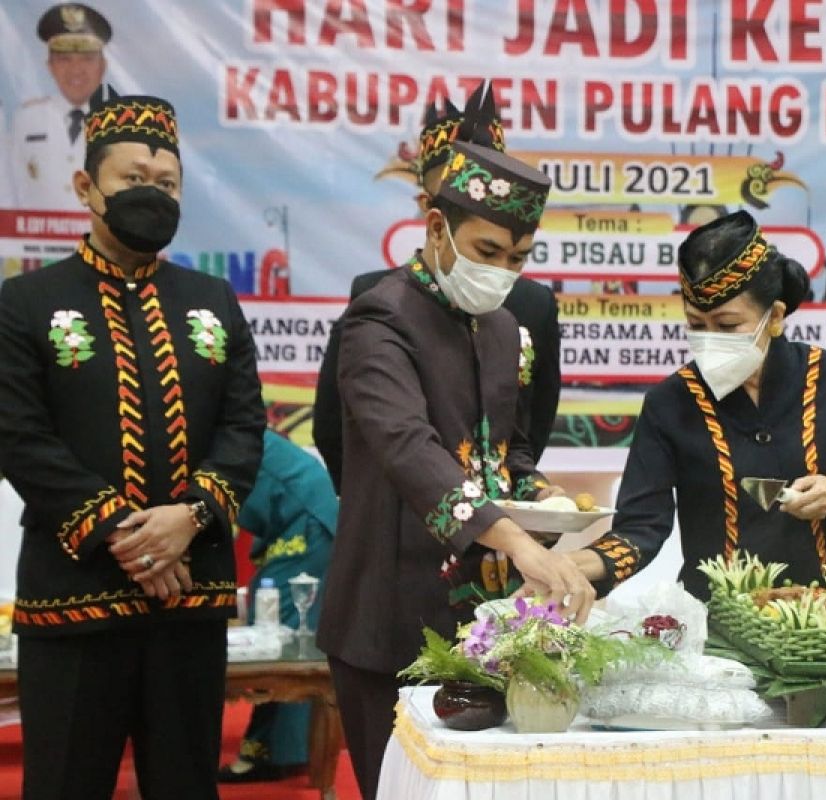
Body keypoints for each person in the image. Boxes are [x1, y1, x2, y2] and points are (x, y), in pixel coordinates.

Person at [0, 88, 265, 799]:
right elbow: (19, 439)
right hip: (74, 596)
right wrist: (130, 538)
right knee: (62, 784)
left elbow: (245, 430)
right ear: (87, 185)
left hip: (192, 596)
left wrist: (191, 518)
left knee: (185, 786)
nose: (152, 194)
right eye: (132, 180)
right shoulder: (24, 304)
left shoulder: (213, 301)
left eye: (167, 184)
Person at [316, 138, 595, 799]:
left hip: (483, 621)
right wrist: (519, 540)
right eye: (487, 252)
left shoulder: (501, 328)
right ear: (437, 227)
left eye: (518, 258)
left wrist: (543, 496)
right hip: (388, 623)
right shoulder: (379, 319)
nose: (501, 272)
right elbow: (410, 449)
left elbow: (507, 451)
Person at [565, 211, 826, 599]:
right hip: (714, 626)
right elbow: (640, 528)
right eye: (697, 326)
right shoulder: (670, 402)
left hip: (823, 625)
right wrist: (570, 566)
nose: (710, 340)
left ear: (775, 317)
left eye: (727, 326)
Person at [313, 82, 561, 487]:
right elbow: (336, 427)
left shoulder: (523, 311)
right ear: (431, 213)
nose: (500, 268)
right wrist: (369, 503)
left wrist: (526, 493)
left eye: (515, 257)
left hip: (495, 532)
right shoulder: (378, 304)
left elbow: (523, 434)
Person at [219, 429, 338, 784]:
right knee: (269, 620)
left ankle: (280, 753)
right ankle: (271, 750)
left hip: (306, 520)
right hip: (295, 516)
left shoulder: (212, 430)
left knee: (282, 637)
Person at [10, 3, 110, 211]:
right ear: (50, 66)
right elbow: (8, 192)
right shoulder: (26, 120)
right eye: (64, 59)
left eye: (87, 59)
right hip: (36, 242)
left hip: (101, 243)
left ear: (102, 66)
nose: (76, 70)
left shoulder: (126, 125)